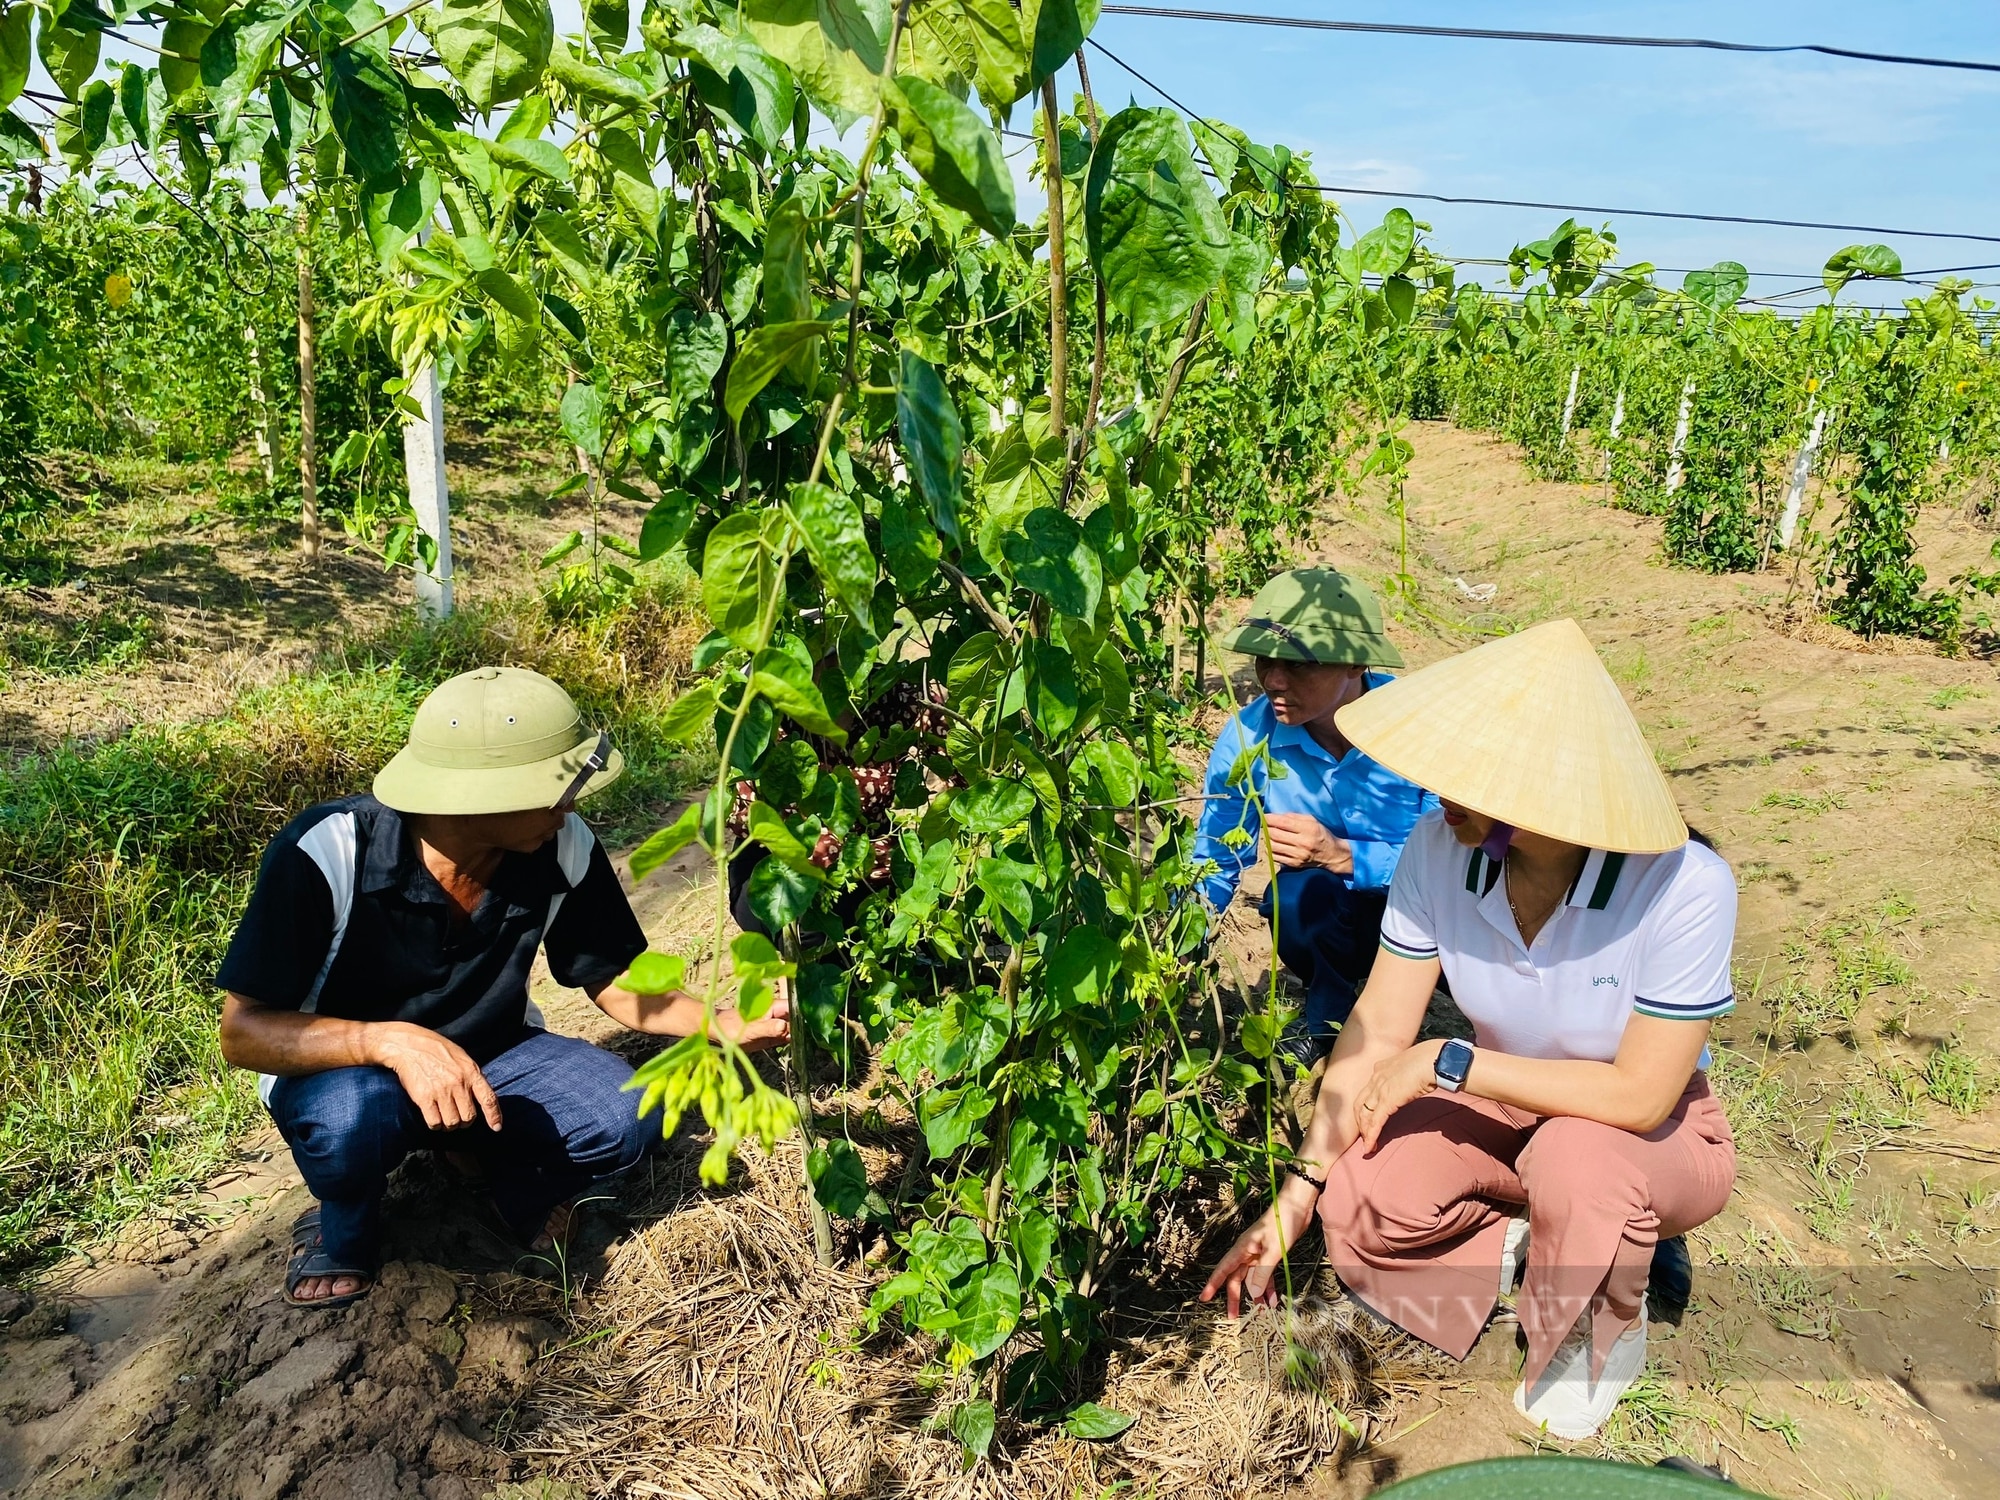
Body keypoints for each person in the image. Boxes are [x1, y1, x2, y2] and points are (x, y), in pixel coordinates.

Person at [1202, 618, 1738, 1439]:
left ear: (1546, 791)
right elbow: (1379, 1027)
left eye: (1469, 775)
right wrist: (1297, 1193)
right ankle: (1525, 1239)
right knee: (1365, 1187)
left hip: (1650, 1133)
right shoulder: (1442, 850)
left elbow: (1639, 1094)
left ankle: (1603, 1321)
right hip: (1511, 1112)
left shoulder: (1683, 887)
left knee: (1578, 1157)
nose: (1436, 787)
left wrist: (1452, 1062)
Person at [217, 667, 789, 1310]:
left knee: (625, 1117)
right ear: (478, 798)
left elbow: (611, 977)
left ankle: (481, 1164)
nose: (572, 804)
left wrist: (723, 1023)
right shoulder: (329, 852)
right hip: (348, 1072)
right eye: (556, 789)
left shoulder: (560, 843)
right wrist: (391, 1043)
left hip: (496, 1050)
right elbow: (243, 1031)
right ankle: (341, 1225)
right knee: (354, 1121)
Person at [1196, 569, 1437, 1069]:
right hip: (1338, 922)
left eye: (1299, 665)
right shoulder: (1247, 740)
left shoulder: (1419, 729)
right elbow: (1216, 857)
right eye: (1265, 661)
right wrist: (1180, 940)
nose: (1274, 681)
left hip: (1430, 914)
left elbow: (1460, 863)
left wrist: (1343, 856)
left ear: (1354, 664)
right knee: (1297, 897)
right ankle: (1328, 1015)